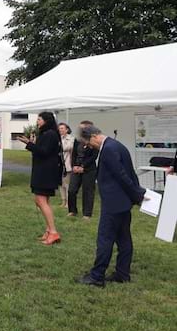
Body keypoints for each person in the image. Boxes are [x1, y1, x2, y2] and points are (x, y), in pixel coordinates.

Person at [77, 125, 147, 287]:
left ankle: (97, 276)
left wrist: (138, 194)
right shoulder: (117, 146)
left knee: (105, 239)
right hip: (123, 203)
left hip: (113, 203)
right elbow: (130, 173)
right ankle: (122, 274)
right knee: (124, 239)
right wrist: (135, 195)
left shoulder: (108, 149)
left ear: (94, 136)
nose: (88, 146)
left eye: (87, 142)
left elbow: (122, 176)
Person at [17, 112, 63, 246]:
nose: (37, 121)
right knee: (43, 201)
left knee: (40, 200)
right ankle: (49, 230)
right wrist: (32, 143)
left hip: (45, 172)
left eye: (39, 119)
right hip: (44, 170)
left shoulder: (50, 134)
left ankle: (53, 232)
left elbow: (44, 152)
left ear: (46, 120)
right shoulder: (47, 133)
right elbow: (42, 149)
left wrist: (29, 144)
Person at [68, 120, 99, 219]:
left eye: (83, 128)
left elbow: (94, 156)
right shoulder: (78, 140)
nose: (81, 129)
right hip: (76, 168)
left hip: (88, 169)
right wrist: (74, 165)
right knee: (72, 190)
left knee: (88, 191)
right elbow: (74, 154)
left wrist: (83, 166)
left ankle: (87, 214)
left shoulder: (94, 140)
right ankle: (72, 210)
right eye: (80, 128)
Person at [59, 123, 74, 208]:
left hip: (67, 165)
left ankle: (69, 202)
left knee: (67, 185)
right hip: (59, 165)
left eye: (62, 128)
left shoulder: (71, 139)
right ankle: (63, 201)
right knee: (61, 184)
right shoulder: (58, 138)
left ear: (67, 129)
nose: (60, 130)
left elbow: (66, 147)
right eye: (59, 128)